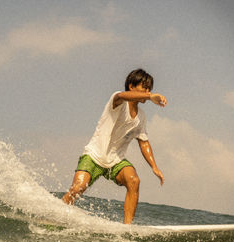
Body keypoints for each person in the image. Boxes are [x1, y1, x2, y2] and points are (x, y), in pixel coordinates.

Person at [62, 69, 167, 224]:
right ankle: (58, 213)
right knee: (78, 188)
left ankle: (126, 227)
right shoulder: (118, 100)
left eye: (149, 89)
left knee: (134, 181)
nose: (147, 91)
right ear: (131, 86)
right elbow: (122, 96)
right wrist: (150, 96)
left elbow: (143, 140)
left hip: (116, 160)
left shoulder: (141, 117)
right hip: (94, 155)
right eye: (144, 87)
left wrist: (154, 167)